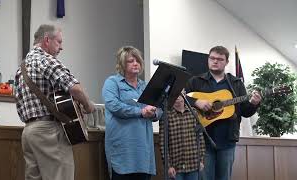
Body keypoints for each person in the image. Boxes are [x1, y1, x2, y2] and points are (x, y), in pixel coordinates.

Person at [15, 24, 95, 180]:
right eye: (59, 42)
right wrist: (87, 105)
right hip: (49, 132)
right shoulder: (45, 60)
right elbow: (75, 89)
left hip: (29, 132)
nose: (61, 47)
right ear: (46, 40)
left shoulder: (21, 68)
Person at [186, 46, 262, 180]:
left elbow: (245, 111)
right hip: (203, 140)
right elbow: (180, 97)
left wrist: (254, 104)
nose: (215, 61)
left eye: (220, 59)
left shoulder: (236, 84)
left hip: (227, 140)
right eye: (212, 58)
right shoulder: (196, 81)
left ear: (226, 62)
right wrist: (196, 101)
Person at [102, 46, 158, 180]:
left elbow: (159, 108)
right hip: (123, 150)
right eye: (130, 61)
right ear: (122, 64)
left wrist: (154, 113)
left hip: (144, 151)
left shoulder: (145, 86)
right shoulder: (112, 82)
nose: (135, 63)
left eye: (137, 60)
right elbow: (114, 106)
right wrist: (141, 111)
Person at [159, 90, 205, 180]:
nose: (178, 98)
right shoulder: (166, 115)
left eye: (180, 94)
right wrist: (168, 166)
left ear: (184, 95)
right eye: (174, 95)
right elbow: (162, 143)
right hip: (176, 167)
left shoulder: (193, 112)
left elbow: (200, 138)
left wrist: (201, 160)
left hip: (193, 165)